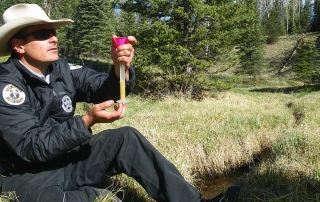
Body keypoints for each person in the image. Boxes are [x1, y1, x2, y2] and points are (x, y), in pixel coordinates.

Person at [0, 3, 239, 202]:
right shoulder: (7, 86)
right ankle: (92, 194)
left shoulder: (61, 69)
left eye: (53, 32)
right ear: (18, 45)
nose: (53, 39)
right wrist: (86, 121)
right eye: (42, 34)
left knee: (125, 138)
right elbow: (32, 147)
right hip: (25, 172)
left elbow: (103, 88)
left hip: (65, 157)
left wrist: (119, 68)